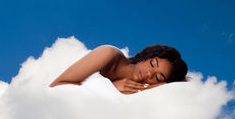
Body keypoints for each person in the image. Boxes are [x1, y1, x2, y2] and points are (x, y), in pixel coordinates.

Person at [49, 44, 188, 94]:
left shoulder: (135, 89)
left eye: (157, 77)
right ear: (147, 57)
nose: (149, 73)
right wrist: (110, 87)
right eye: (152, 64)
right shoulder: (108, 55)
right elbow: (56, 86)